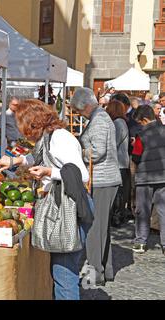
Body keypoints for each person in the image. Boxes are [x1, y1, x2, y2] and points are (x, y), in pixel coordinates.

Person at [0, 99, 91, 300]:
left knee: (64, 275)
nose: (22, 133)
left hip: (69, 210)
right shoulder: (47, 138)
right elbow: (41, 157)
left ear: (33, 123)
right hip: (60, 207)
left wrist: (49, 172)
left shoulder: (60, 138)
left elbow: (82, 175)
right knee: (61, 272)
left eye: (22, 126)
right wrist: (14, 160)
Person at [70, 87, 121, 286]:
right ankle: (105, 270)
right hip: (104, 180)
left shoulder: (99, 119)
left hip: (103, 180)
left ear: (86, 106)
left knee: (94, 228)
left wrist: (77, 152)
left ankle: (95, 273)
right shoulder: (100, 117)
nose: (79, 114)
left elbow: (97, 152)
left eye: (79, 110)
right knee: (101, 228)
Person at [131, 105, 165, 255]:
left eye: (140, 122)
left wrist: (133, 178)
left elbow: (136, 157)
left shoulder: (141, 135)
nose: (140, 125)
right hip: (163, 176)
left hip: (145, 178)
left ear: (144, 120)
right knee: (163, 211)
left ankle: (140, 242)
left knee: (142, 211)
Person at [105, 100, 131, 227]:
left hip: (119, 163)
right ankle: (118, 215)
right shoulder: (120, 123)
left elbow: (113, 144)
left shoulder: (118, 123)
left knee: (119, 193)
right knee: (120, 192)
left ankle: (117, 217)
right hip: (121, 163)